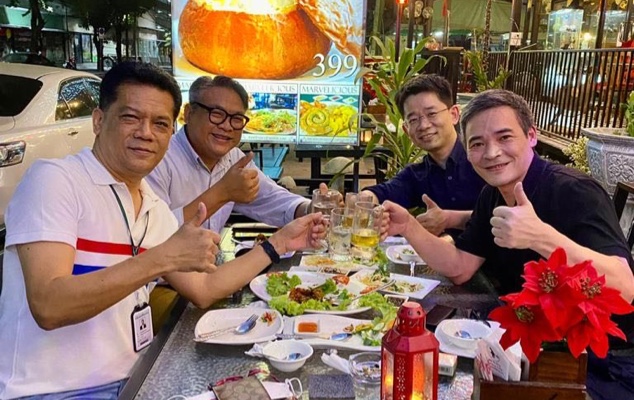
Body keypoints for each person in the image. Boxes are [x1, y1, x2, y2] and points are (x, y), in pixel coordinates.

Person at [0, 62, 325, 399]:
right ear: (99, 120)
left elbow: (204, 288)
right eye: (131, 118)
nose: (146, 133)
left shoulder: (152, 206)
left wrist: (279, 243)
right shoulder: (55, 180)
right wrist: (161, 259)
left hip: (134, 380)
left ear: (171, 132)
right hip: (50, 391)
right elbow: (49, 305)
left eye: (159, 124)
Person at [383, 89, 634, 400]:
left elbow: (625, 286)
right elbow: (460, 266)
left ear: (531, 136)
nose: (491, 153)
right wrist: (408, 226)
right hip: (528, 351)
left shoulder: (574, 191)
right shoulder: (492, 194)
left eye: (504, 137)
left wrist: (540, 236)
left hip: (608, 364)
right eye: (477, 144)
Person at [146, 75, 315, 234]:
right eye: (217, 114)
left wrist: (311, 208)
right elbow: (152, 234)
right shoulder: (157, 159)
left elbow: (270, 198)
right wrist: (222, 193)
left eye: (236, 119)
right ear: (189, 113)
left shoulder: (233, 158)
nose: (227, 126)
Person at [361, 74, 486, 236]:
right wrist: (361, 201)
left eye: (431, 114)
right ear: (406, 130)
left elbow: (506, 213)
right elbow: (382, 193)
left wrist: (450, 219)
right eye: (413, 120)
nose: (424, 125)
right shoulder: (418, 175)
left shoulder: (484, 159)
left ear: (454, 114)